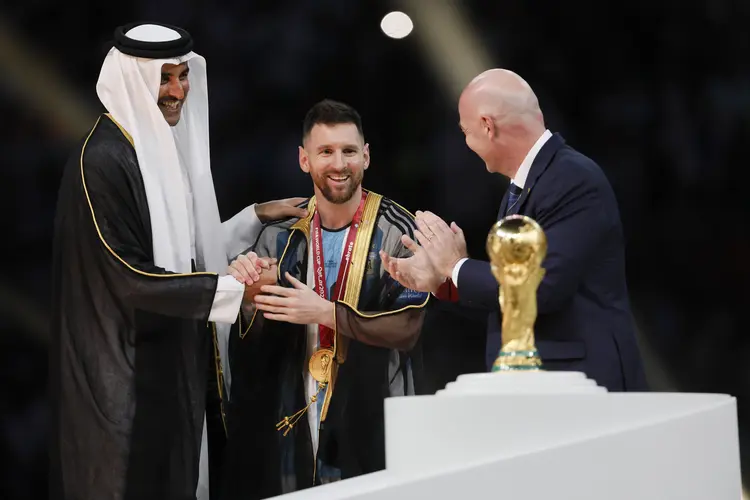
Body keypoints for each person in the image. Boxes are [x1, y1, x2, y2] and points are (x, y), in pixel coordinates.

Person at [49, 22, 306, 500]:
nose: (177, 91)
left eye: (184, 76)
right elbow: (130, 278)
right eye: (165, 78)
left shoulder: (147, 148)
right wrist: (235, 290)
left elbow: (178, 252)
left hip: (168, 366)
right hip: (124, 381)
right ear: (135, 80)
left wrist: (252, 218)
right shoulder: (103, 159)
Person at [382, 68, 648, 392]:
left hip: (582, 386)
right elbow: (512, 308)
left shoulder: (571, 179)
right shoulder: (528, 186)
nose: (466, 144)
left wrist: (456, 266)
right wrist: (445, 281)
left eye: (466, 132)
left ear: (487, 126)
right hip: (546, 386)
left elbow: (539, 289)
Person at [219, 99, 430, 499]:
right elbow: (250, 349)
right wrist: (247, 296)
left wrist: (325, 313)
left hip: (376, 425)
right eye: (326, 152)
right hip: (293, 427)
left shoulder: (400, 232)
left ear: (366, 156)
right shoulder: (276, 236)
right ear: (304, 160)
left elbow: (407, 329)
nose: (339, 164)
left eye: (349, 151)